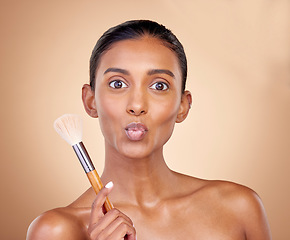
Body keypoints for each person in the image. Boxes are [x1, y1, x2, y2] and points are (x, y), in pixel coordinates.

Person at [27, 20, 272, 240]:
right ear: (91, 101)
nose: (137, 106)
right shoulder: (55, 231)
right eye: (117, 83)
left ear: (182, 106)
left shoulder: (239, 209)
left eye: (159, 85)